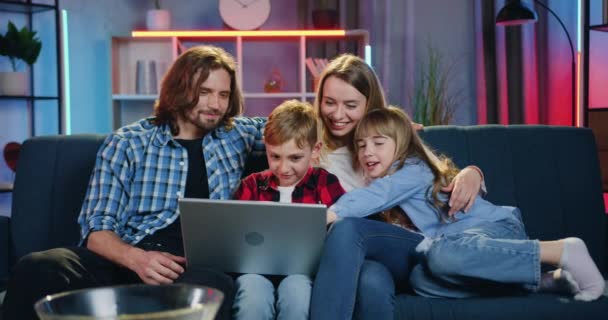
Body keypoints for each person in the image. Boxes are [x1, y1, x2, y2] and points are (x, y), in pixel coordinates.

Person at [1, 45, 266, 320]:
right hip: (123, 258)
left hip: (187, 269)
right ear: (178, 88)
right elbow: (97, 229)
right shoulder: (128, 142)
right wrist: (137, 259)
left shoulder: (237, 134)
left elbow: (299, 126)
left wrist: (317, 96)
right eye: (204, 92)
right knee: (39, 266)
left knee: (214, 287)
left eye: (223, 94)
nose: (216, 104)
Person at [322, 106, 605, 306]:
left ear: (402, 145)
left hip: (494, 230)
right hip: (461, 245)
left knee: (439, 254)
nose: (367, 151)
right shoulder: (391, 184)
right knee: (422, 279)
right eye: (361, 145)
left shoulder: (411, 169)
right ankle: (542, 282)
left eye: (378, 143)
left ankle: (561, 249)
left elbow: (376, 195)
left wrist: (332, 213)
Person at [310, 53, 486, 319]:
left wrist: (474, 174)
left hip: (404, 248)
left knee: (349, 230)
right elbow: (272, 129)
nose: (337, 114)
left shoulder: (393, 138)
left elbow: (435, 175)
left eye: (350, 105)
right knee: (370, 281)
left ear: (369, 105)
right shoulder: (313, 151)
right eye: (329, 103)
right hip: (360, 258)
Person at [231, 100, 346, 320]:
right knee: (251, 298)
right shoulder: (251, 186)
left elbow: (345, 232)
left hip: (303, 273)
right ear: (265, 147)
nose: (283, 168)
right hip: (256, 271)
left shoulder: (325, 184)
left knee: (298, 296)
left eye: (295, 158)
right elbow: (235, 239)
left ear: (315, 150)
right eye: (275, 156)